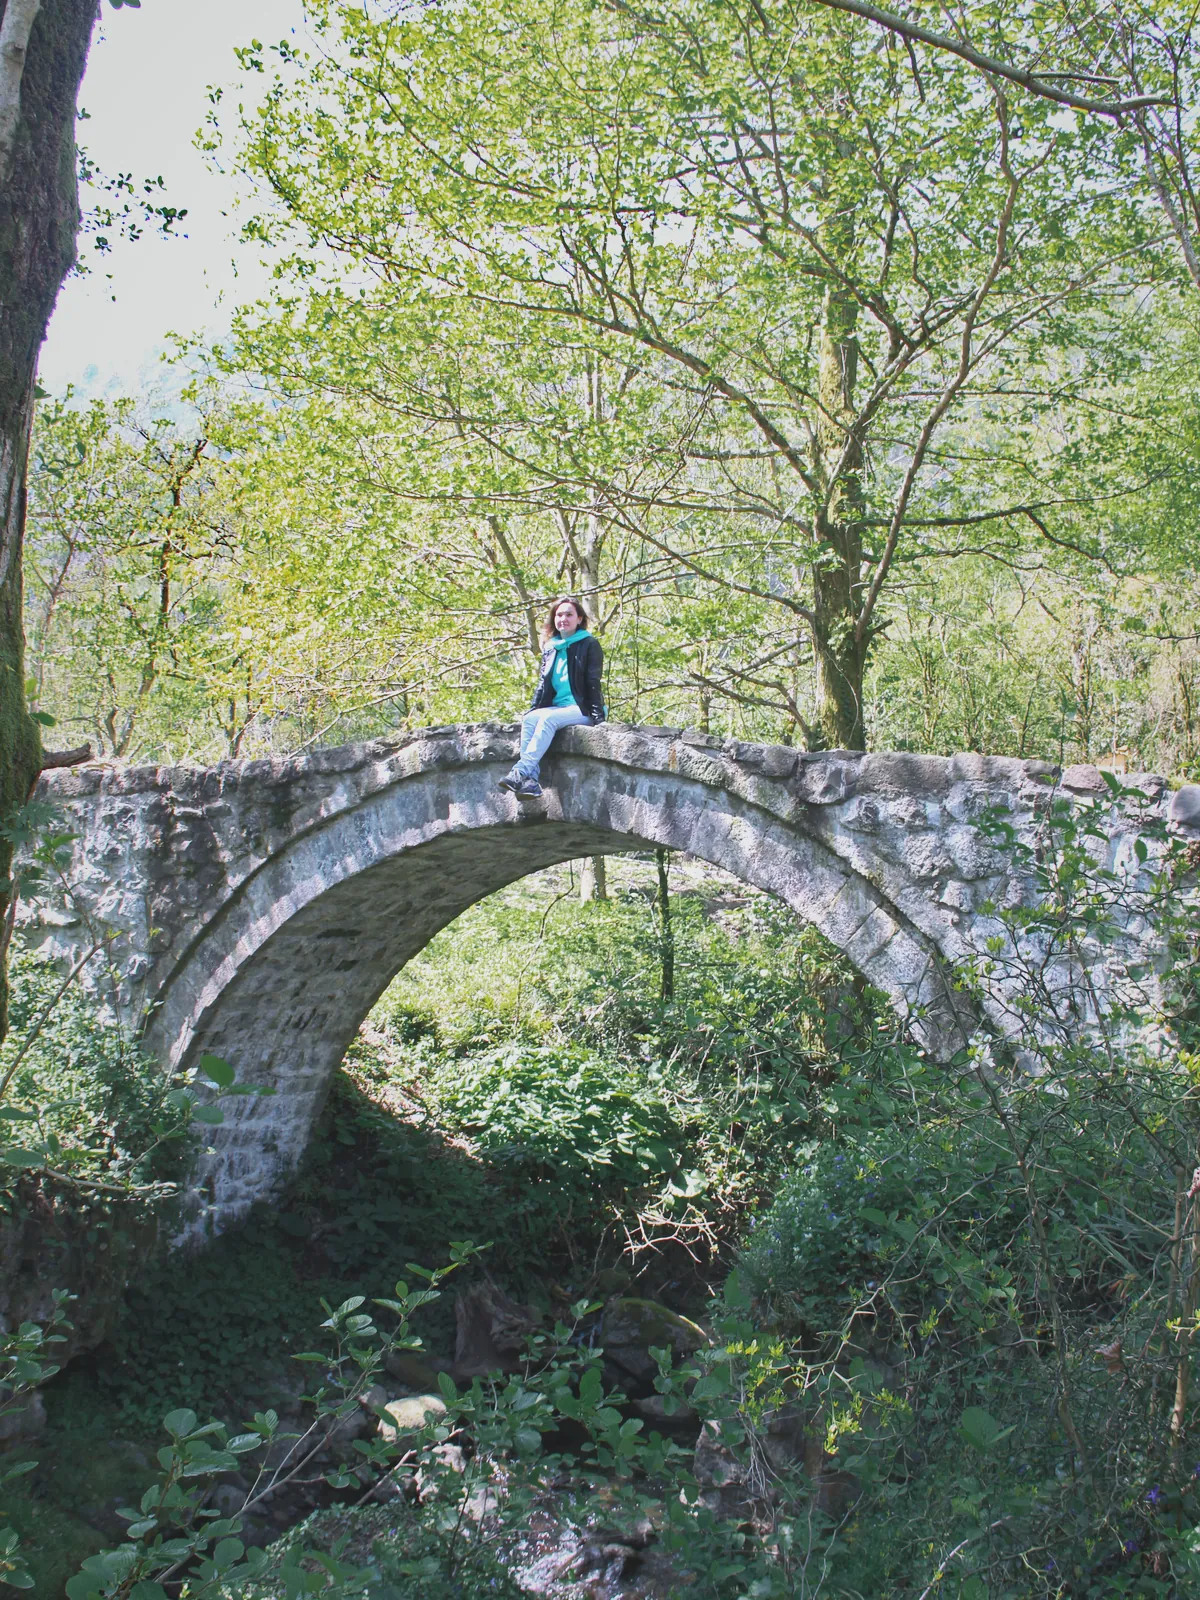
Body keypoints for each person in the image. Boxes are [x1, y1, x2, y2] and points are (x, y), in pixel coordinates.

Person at [499, 597, 605, 798]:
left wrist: (598, 719)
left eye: (569, 614)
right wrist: (533, 709)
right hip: (559, 707)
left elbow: (593, 681)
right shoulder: (551, 647)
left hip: (582, 709)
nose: (563, 618)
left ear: (579, 619)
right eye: (559, 614)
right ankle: (530, 781)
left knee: (548, 720)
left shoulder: (589, 644)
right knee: (530, 718)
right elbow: (542, 685)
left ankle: (520, 772)